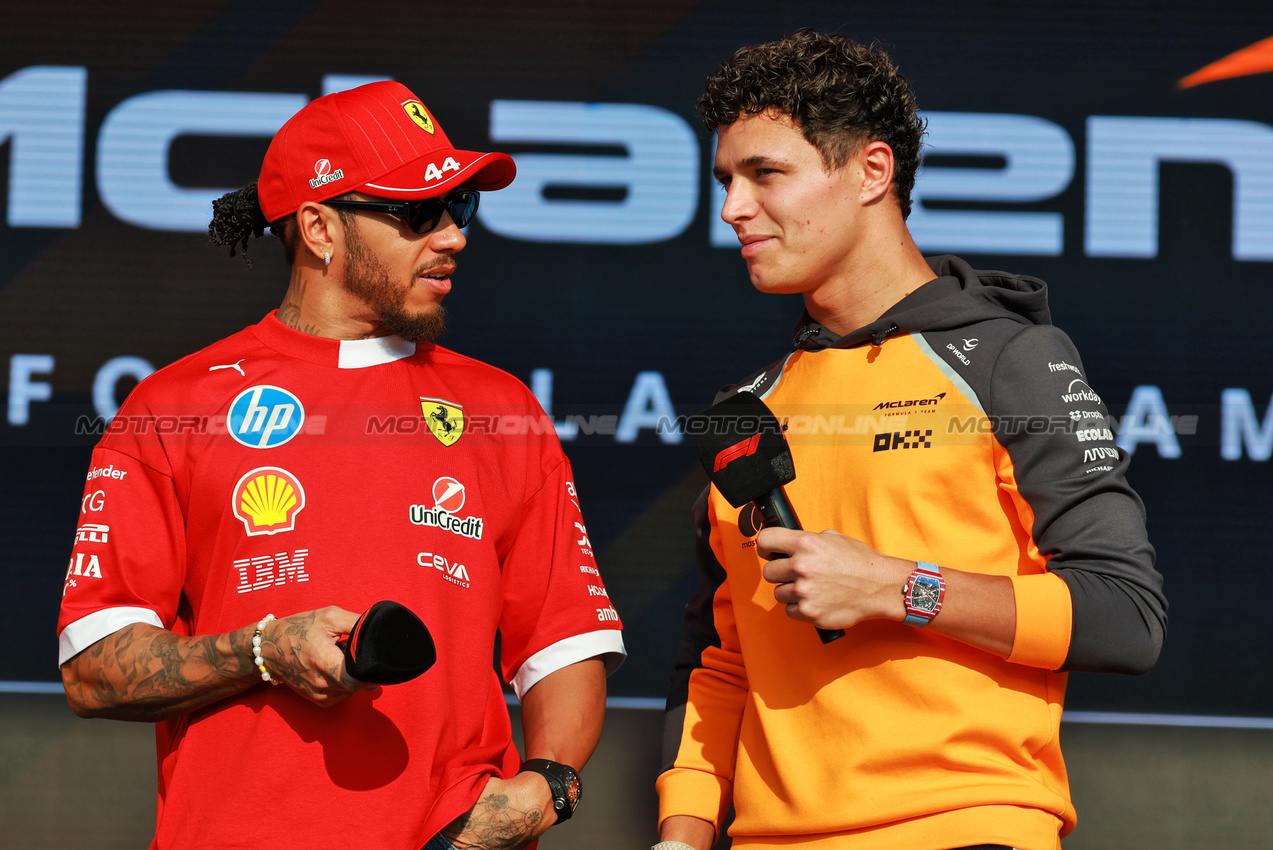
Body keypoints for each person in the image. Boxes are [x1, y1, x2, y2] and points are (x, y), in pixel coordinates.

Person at [57, 80, 625, 850]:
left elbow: (563, 640)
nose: (453, 237)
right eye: (419, 214)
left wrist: (545, 787)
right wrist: (261, 649)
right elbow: (93, 670)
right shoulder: (173, 404)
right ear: (320, 228)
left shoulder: (503, 409)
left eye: (460, 209)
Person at [656, 30, 1166, 850]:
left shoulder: (1007, 358)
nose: (731, 209)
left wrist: (900, 587)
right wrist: (680, 836)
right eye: (725, 179)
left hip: (965, 827)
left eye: (765, 174)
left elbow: (1125, 616)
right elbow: (721, 663)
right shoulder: (743, 411)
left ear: (871, 171)